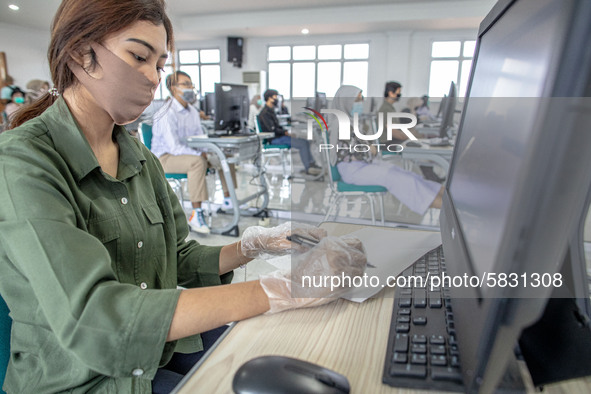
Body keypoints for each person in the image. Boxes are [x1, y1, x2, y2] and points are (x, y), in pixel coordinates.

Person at [0, 1, 367, 393]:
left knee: (286, 351)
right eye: (139, 56)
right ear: (80, 54)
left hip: (158, 351)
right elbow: (96, 318)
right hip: (84, 378)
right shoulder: (23, 163)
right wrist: (284, 288)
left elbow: (178, 258)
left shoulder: (139, 159)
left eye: (159, 65)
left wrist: (254, 245)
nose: (152, 77)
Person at [329, 85, 444, 215]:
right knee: (400, 179)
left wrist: (370, 149)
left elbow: (366, 147)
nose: (360, 104)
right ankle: (450, 207)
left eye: (361, 100)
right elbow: (351, 152)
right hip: (353, 170)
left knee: (406, 174)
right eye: (357, 101)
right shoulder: (340, 125)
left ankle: (447, 195)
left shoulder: (351, 122)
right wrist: (370, 150)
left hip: (363, 166)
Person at [151, 70, 238, 234]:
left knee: (223, 156)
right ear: (173, 88)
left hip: (186, 153)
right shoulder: (166, 113)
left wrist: (209, 151)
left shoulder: (192, 111)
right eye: (186, 84)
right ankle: (196, 214)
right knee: (197, 162)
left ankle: (228, 199)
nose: (190, 87)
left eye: (191, 84)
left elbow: (200, 139)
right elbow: (173, 147)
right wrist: (201, 155)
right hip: (164, 158)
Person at [258, 89, 321, 176]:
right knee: (303, 144)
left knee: (305, 142)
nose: (277, 99)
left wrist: (286, 132)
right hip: (274, 139)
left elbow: (277, 127)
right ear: (269, 98)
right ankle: (309, 168)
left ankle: (311, 165)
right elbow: (272, 130)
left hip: (279, 136)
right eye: (275, 97)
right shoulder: (264, 113)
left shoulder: (271, 111)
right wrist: (286, 133)